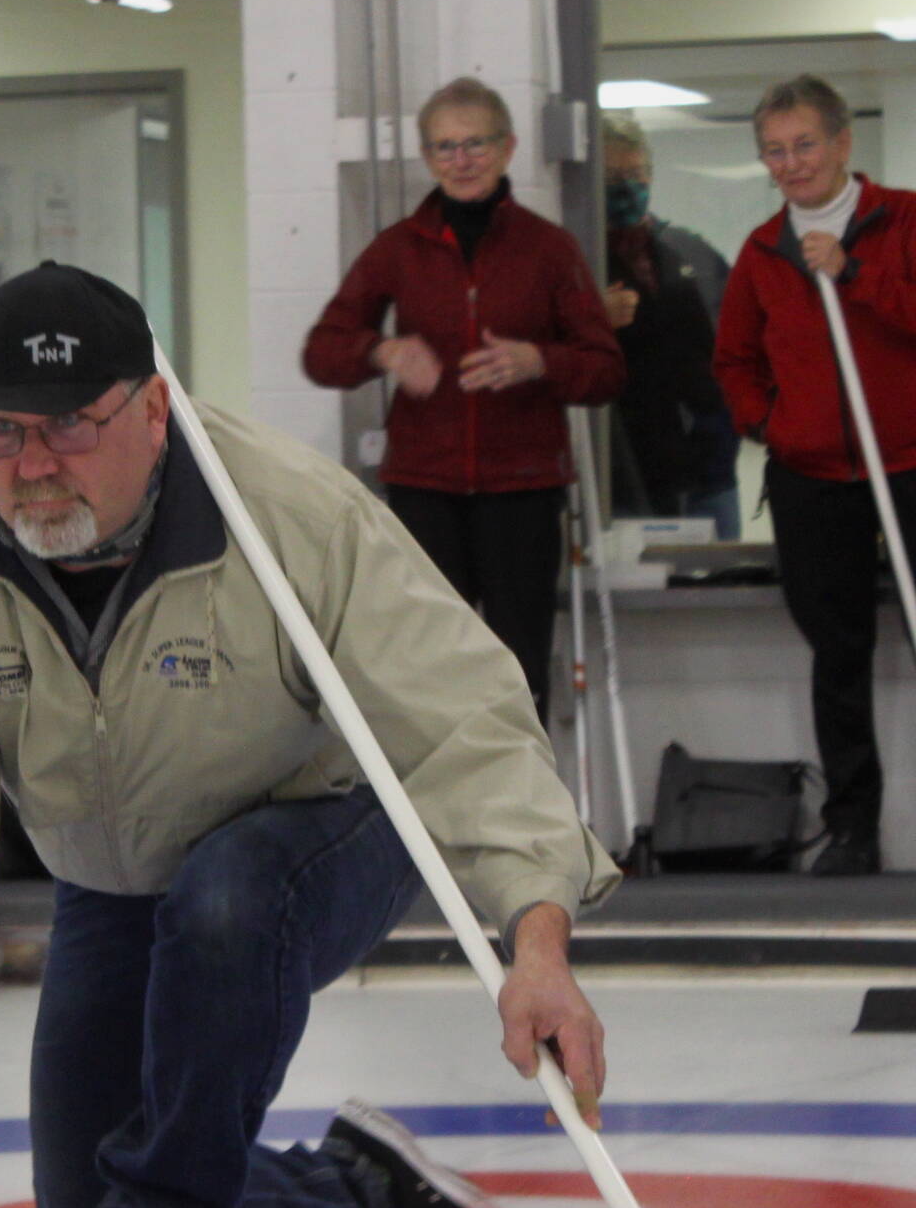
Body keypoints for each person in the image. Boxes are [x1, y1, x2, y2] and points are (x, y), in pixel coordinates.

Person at [0, 263, 618, 1208]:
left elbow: (460, 714)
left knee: (225, 901)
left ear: (153, 407)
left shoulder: (289, 514)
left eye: (69, 427)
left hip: (325, 821)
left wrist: (535, 937)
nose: (30, 468)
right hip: (111, 871)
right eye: (0, 433)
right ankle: (357, 1183)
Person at [303, 77, 625, 724]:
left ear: (506, 149)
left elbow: (606, 370)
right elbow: (322, 350)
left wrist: (540, 360)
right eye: (444, 146)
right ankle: (437, 822)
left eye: (475, 142)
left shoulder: (549, 248)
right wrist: (382, 352)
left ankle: (524, 815)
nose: (461, 159)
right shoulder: (399, 248)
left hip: (523, 493)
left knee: (518, 670)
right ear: (426, 157)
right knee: (428, 670)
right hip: (426, 492)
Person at [714, 76, 916, 878]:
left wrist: (858, 275)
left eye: (804, 145)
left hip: (906, 466)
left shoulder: (902, 219)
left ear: (841, 144)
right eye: (774, 149)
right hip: (813, 478)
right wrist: (771, 423)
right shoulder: (764, 251)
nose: (790, 163)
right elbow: (733, 360)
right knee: (838, 657)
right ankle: (853, 828)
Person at [600, 113, 741, 539]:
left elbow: (736, 341)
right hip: (628, 476)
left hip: (710, 466)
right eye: (612, 176)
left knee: (725, 586)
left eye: (636, 173)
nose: (628, 185)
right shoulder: (575, 259)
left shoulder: (689, 252)